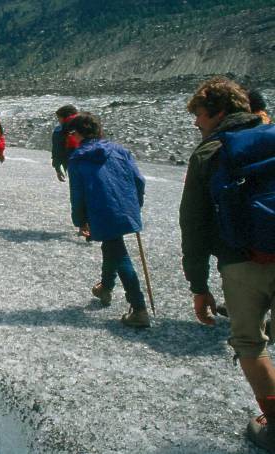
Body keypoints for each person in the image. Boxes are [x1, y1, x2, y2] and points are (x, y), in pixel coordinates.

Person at [180, 76, 275, 452]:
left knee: (250, 344)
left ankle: (274, 424)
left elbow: (194, 224)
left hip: (240, 263)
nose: (196, 122)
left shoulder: (209, 153)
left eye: (200, 115)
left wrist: (198, 285)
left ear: (218, 112)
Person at [66, 112, 149, 327]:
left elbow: (77, 194)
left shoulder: (78, 158)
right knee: (112, 245)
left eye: (72, 132)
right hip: (125, 206)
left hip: (100, 210)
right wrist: (135, 204)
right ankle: (106, 287)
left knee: (118, 252)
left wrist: (80, 220)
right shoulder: (120, 150)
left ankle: (139, 308)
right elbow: (139, 180)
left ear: (77, 133)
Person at [51, 104, 79, 182]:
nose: (58, 121)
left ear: (63, 117)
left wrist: (57, 168)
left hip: (71, 164)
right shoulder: (87, 125)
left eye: (58, 118)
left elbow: (57, 150)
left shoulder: (59, 130)